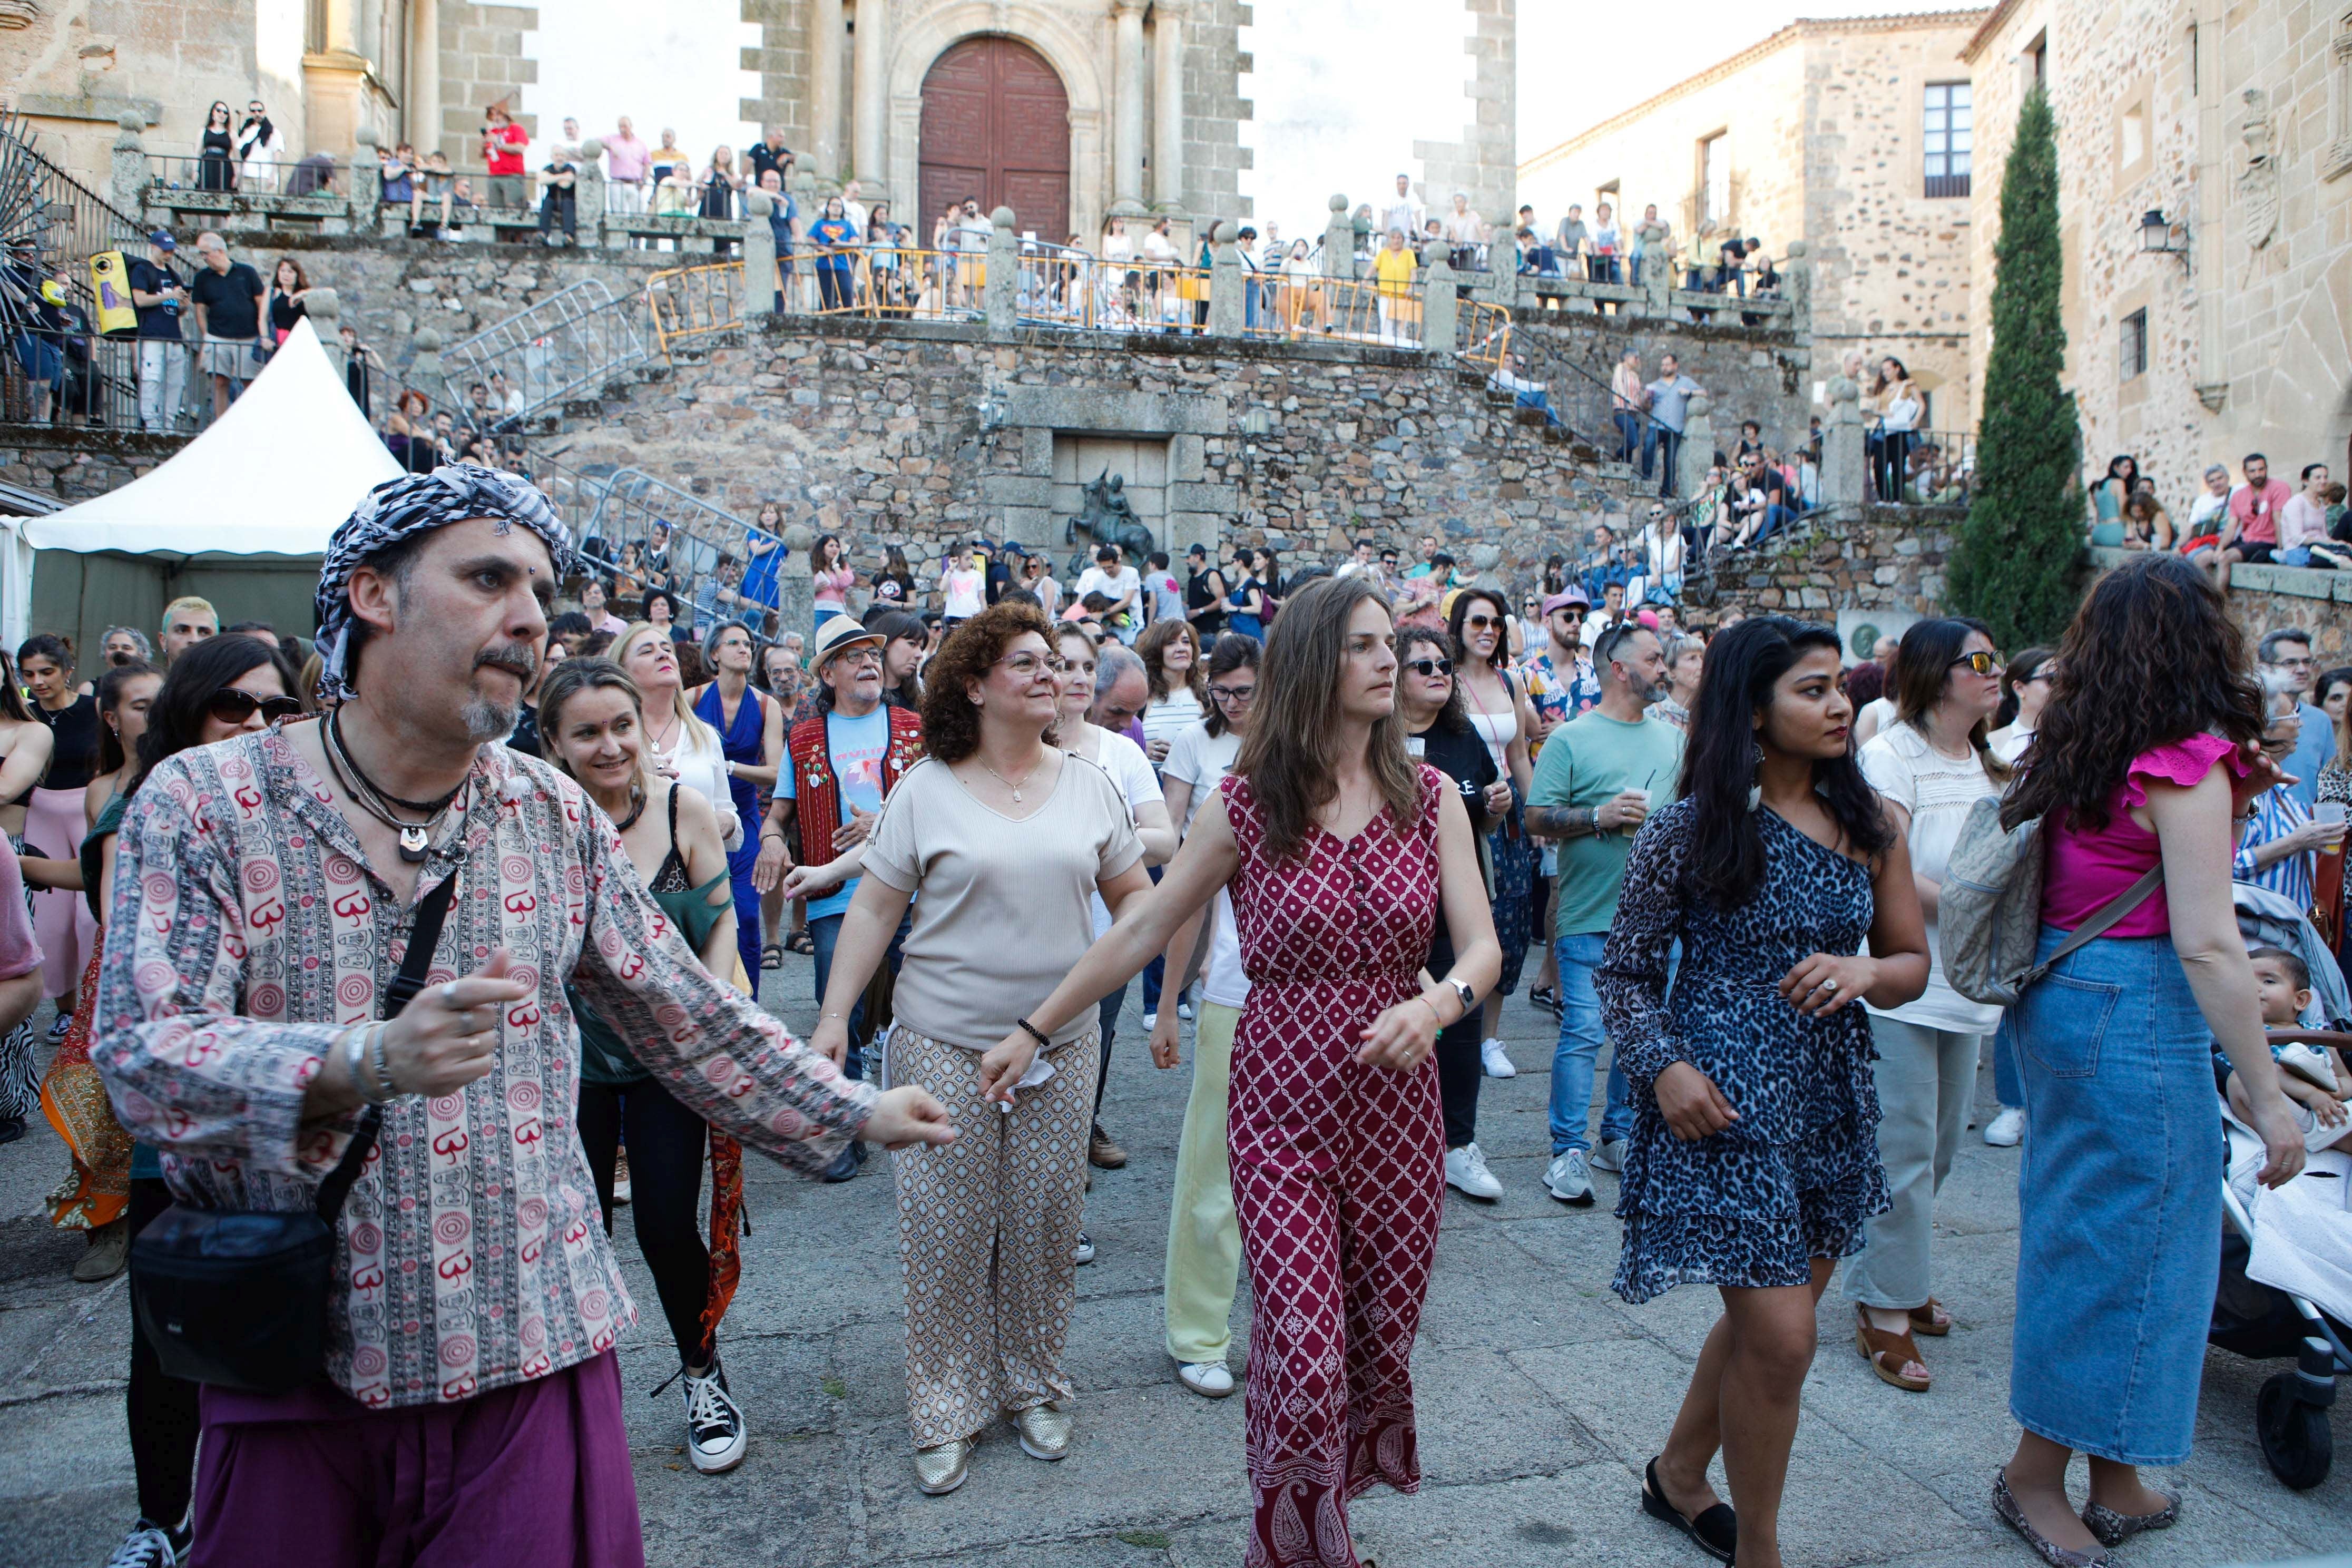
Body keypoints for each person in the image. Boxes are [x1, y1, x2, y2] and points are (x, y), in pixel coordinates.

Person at [94, 464, 952, 1562]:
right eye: (489, 578)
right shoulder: (206, 803)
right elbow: (142, 1054)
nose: (529, 617)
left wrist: (849, 1109)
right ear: (371, 594)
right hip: (299, 1354)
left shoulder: (544, 810)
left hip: (526, 1343)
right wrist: (360, 1060)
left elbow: (677, 1007)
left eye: (540, 592)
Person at [983, 575, 1499, 1566]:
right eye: (1362, 645)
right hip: (1278, 1105)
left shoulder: (1429, 797)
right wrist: (1036, 1026)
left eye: (1391, 642)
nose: (1389, 660)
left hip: (1399, 1108)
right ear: (1313, 661)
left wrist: (1436, 1004)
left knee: (1372, 1339)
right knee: (1301, 1357)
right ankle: (1292, 1543)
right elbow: (1143, 923)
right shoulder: (1244, 803)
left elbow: (1480, 948)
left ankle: (1323, 1516)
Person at [1983, 553, 2310, 1562]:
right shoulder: (2181, 757)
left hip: (2064, 998)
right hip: (2132, 1006)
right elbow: (2211, 944)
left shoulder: (2081, 740)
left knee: (2107, 1241)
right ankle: (2033, 1476)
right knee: (2125, 1256)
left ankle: (2114, 1469)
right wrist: (2269, 1096)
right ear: (2200, 641)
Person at [1599, 616, 1926, 1568]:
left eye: (1838, 687)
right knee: (1783, 1338)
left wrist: (1865, 975)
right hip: (1717, 1099)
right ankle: (1763, 1552)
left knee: (1763, 1325)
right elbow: (1620, 973)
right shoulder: (1690, 828)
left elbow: (1909, 960)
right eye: (1811, 689)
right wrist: (1662, 1067)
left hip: (1825, 1099)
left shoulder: (1874, 825)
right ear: (1752, 709)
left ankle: (1677, 1474)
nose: (1838, 705)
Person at [800, 601, 1146, 1494]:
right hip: (942, 1042)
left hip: (1062, 1046)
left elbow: (1134, 905)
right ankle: (946, 1405)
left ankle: (1033, 1384)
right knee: (947, 1233)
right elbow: (875, 908)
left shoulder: (1088, 784)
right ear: (973, 683)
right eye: (1026, 662)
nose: (1052, 676)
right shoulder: (925, 787)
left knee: (1042, 1224)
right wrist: (836, 1015)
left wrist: (1135, 993)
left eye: (1058, 663)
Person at [536, 656, 751, 1471]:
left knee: (665, 1226)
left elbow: (721, 922)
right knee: (575, 1229)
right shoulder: (537, 824)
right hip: (567, 1065)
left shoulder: (683, 807)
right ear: (554, 743)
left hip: (668, 1058)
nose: (609, 744)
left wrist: (708, 1010)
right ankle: (573, 1404)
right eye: (586, 732)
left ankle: (704, 1374)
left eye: (621, 725)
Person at [1844, 620, 2008, 1393]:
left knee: (1939, 1150)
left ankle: (1895, 1273)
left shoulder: (1986, 760)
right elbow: (1893, 874)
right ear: (1938, 675)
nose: (1996, 671)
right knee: (1902, 1152)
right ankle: (1883, 1305)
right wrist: (1989, 905)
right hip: (1905, 983)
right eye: (1980, 661)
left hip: (1967, 983)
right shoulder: (1891, 755)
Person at [1523, 619, 1683, 1204]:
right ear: (1621, 669)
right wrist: (1599, 816)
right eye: (1655, 658)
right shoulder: (1571, 739)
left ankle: (1616, 1135)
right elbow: (1535, 817)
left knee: (1640, 1035)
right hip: (1591, 914)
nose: (1665, 668)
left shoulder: (1673, 740)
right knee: (1585, 1032)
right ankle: (1567, 1151)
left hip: (1660, 920)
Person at [756, 615, 925, 1151]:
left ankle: (927, 1120)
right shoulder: (803, 738)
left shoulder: (913, 727)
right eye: (853, 657)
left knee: (927, 1014)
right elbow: (777, 815)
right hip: (837, 899)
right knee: (838, 1017)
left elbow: (944, 801)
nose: (868, 662)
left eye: (872, 654)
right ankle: (845, 1132)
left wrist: (886, 823)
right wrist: (771, 840)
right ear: (828, 674)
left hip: (914, 896)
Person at [1146, 632, 1261, 1397]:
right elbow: (1184, 893)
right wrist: (1167, 1006)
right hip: (1234, 991)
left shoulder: (1344, 762)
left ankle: (1305, 1330)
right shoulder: (1213, 766)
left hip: (1333, 1005)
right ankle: (1197, 1331)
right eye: (1225, 690)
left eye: (1247, 690)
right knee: (1213, 1170)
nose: (1234, 701)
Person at [1393, 624, 1514, 1201]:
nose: (1439, 672)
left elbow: (1480, 825)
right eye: (1424, 666)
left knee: (1460, 1030)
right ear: (1396, 677)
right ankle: (1401, 1144)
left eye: (1444, 664)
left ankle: (1458, 1145)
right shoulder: (1376, 737)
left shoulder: (1464, 738)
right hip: (1391, 911)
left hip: (1454, 909)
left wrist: (1496, 807)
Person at [1061, 641, 1177, 1175]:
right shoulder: (1000, 750)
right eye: (1066, 665)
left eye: (1088, 666)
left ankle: (1077, 1138)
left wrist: (1108, 835)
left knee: (1092, 1047)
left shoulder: (1121, 752)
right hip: (1024, 933)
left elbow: (1165, 838)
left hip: (1105, 933)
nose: (1079, 677)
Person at [1451, 587, 1538, 1072]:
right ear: (1460, 627)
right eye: (1478, 622)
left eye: (1496, 624)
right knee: (1462, 919)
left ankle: (1489, 1038)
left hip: (1508, 816)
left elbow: (1520, 755)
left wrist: (1537, 814)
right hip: (1461, 811)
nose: (1488, 631)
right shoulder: (1443, 679)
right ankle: (1452, 1024)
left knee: (1508, 921)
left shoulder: (1511, 681)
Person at [689, 621, 785, 995]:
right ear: (715, 654)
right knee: (703, 914)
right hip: (698, 816)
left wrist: (726, 766)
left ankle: (750, 1008)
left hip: (744, 817)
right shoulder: (692, 699)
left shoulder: (766, 704)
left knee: (746, 914)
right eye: (734, 643)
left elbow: (775, 772)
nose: (745, 649)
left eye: (748, 644)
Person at [17, 635, 100, 1037]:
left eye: (47, 672)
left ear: (68, 670)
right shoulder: (25, 714)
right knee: (50, 921)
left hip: (86, 807)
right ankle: (65, 1008)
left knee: (88, 917)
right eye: (29, 674)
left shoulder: (93, 710)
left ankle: (92, 1006)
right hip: (42, 812)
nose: (38, 681)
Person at [2234, 683, 2343, 909]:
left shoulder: (2274, 785)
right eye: (2292, 716)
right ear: (2266, 728)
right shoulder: (2244, 792)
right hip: (2259, 933)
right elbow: (2227, 862)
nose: (2300, 723)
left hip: (2286, 929)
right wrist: (2296, 842)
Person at [2260, 626, 2334, 808]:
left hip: (2305, 826)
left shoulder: (2320, 720)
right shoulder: (2251, 717)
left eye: (2307, 662)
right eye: (2290, 663)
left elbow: (2329, 784)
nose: (2302, 669)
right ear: (2266, 668)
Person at [129, 231, 189, 433]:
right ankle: (151, 423)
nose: (169, 254)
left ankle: (168, 422)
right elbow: (140, 300)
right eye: (165, 250)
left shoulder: (173, 274)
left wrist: (183, 303)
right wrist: (169, 295)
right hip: (153, 333)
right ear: (153, 247)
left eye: (171, 251)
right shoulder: (143, 269)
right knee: (152, 378)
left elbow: (178, 309)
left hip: (173, 334)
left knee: (175, 382)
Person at [1136, 618, 1206, 767]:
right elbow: (1118, 743)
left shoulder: (1206, 696)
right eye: (1171, 643)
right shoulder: (1141, 697)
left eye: (1186, 642)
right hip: (1151, 783)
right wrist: (1141, 748)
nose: (1181, 648)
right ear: (1156, 652)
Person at [1642, 354, 1702, 498]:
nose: (1665, 368)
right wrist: (1646, 399)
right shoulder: (1654, 385)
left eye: (1668, 364)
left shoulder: (1685, 382)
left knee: (1670, 461)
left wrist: (1690, 393)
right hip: (1656, 424)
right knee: (1648, 447)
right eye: (1663, 365)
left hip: (1675, 427)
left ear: (1675, 365)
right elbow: (1646, 408)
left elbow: (1704, 392)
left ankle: (1667, 491)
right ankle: (1646, 477)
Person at [1074, 544, 1142, 642]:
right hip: (1110, 626)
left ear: (1117, 562)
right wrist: (1111, 616)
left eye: (1110, 567)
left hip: (1132, 624)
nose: (1107, 571)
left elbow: (1127, 601)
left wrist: (1105, 613)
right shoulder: (1098, 579)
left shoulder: (1131, 573)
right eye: (1104, 568)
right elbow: (1094, 603)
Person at [2279, 462, 2334, 566]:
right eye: (2318, 478)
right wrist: (2325, 543)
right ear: (2305, 481)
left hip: (2319, 548)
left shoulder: (2321, 505)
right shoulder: (2296, 502)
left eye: (2325, 477)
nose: (2323, 481)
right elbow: (2297, 537)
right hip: (2298, 551)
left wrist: (2338, 543)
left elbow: (2324, 535)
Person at [478, 102, 529, 207]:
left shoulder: (516, 129)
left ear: (506, 116)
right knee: (495, 208)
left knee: (513, 207)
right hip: (494, 175)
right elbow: (481, 155)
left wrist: (498, 143)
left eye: (497, 115)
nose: (495, 118)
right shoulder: (493, 132)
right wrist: (483, 145)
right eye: (492, 115)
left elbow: (520, 148)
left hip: (512, 176)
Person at [1654, 633, 1704, 730]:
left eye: (1702, 657)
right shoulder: (1654, 714)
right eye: (1692, 658)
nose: (1702, 665)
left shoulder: (1713, 708)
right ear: (1671, 670)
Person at [809, 531, 855, 631]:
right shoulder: (813, 566)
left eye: (837, 546)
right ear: (823, 548)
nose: (835, 549)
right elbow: (803, 589)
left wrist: (835, 565)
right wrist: (815, 589)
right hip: (818, 610)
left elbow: (845, 583)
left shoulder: (843, 566)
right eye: (831, 546)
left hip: (837, 611)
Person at [604, 115, 650, 215]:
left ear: (631, 126)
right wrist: (610, 147)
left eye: (625, 126)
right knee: (618, 214)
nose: (622, 129)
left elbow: (647, 164)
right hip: (617, 183)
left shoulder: (641, 144)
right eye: (620, 127)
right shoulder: (612, 139)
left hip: (635, 184)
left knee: (638, 215)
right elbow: (596, 142)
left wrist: (644, 180)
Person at [940, 541, 986, 624]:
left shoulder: (977, 575)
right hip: (954, 615)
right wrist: (951, 568)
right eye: (967, 559)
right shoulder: (951, 573)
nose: (970, 561)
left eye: (971, 558)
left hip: (973, 615)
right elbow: (942, 588)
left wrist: (984, 615)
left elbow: (982, 598)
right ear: (958, 559)